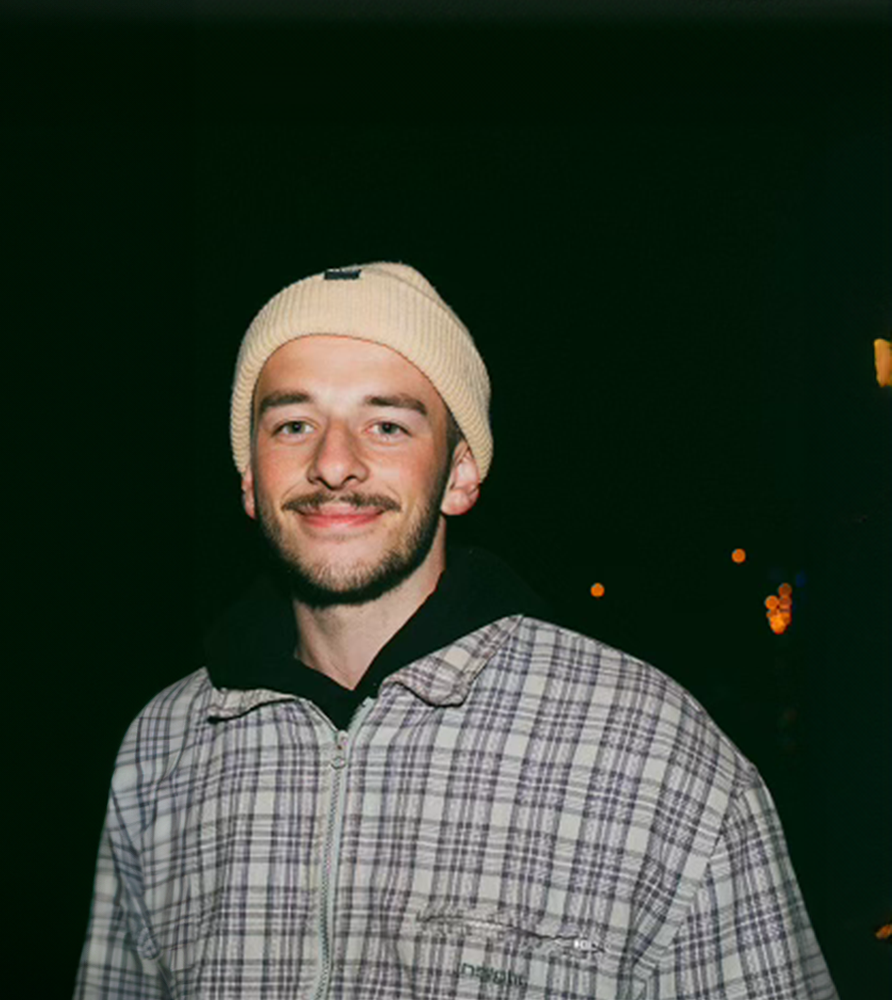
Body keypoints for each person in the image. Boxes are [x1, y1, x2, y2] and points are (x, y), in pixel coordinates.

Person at [75, 263, 837, 998]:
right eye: (294, 422)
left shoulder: (646, 747)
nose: (333, 464)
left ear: (461, 472)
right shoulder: (164, 746)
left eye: (387, 424)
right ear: (250, 476)